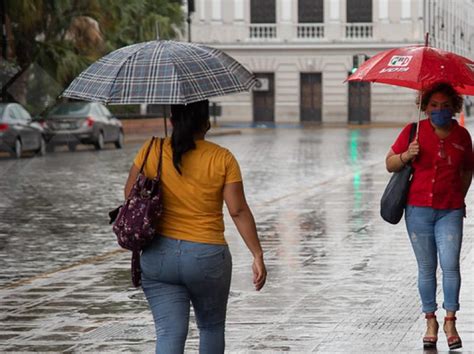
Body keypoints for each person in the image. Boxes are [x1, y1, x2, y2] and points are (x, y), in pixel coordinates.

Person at [124, 100, 267, 354]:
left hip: (158, 258)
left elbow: (129, 196)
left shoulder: (152, 149)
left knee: (169, 333)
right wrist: (257, 254)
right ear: (207, 122)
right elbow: (237, 210)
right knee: (211, 328)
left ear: (172, 120)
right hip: (207, 257)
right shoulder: (222, 158)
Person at [385, 83, 473, 350]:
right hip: (418, 210)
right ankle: (430, 319)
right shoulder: (414, 132)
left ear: (454, 107)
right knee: (426, 269)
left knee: (450, 265)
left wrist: (461, 197)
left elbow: (468, 170)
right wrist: (405, 155)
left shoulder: (462, 136)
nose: (439, 110)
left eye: (445, 105)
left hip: (450, 210)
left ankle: (450, 320)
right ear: (425, 106)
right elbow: (390, 163)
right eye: (434, 105)